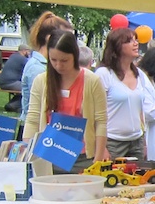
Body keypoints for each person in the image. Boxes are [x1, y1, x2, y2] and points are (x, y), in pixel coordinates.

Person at [23, 31, 108, 173]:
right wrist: (27, 151)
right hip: (49, 155)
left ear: (74, 56)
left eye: (64, 60)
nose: (58, 65)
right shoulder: (41, 81)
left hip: (83, 158)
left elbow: (101, 121)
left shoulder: (92, 81)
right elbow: (32, 118)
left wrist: (98, 158)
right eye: (53, 60)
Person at [96, 26, 155, 160]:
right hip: (112, 142)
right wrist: (101, 147)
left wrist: (144, 142)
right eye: (129, 41)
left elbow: (140, 111)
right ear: (116, 47)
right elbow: (96, 112)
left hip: (136, 141)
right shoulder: (104, 74)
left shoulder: (139, 74)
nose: (136, 43)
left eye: (136, 40)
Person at [21, 12, 73, 122]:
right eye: (66, 39)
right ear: (50, 39)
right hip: (36, 129)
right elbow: (40, 107)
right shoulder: (37, 68)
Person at [0, 43, 30, 112]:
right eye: (28, 51)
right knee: (29, 88)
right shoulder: (22, 59)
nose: (29, 53)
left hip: (2, 82)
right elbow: (30, 68)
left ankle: (12, 104)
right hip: (11, 83)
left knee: (24, 88)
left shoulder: (13, 56)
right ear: (24, 51)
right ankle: (16, 106)